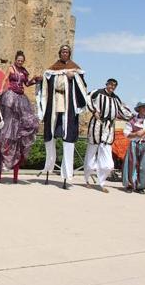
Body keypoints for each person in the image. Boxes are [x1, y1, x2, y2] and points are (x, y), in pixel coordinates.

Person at [37, 44, 88, 189]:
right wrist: (42, 80)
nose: (65, 53)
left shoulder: (75, 68)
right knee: (50, 136)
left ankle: (66, 175)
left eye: (67, 51)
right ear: (60, 53)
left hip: (68, 107)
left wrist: (74, 77)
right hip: (55, 105)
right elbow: (47, 82)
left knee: (68, 141)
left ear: (69, 53)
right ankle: (48, 167)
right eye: (62, 51)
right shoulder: (53, 68)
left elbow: (82, 86)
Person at [83, 79, 134, 193]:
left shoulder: (116, 98)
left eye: (114, 85)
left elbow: (122, 110)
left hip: (109, 127)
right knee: (91, 152)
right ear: (106, 84)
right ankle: (87, 179)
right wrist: (93, 110)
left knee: (108, 161)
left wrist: (133, 117)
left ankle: (101, 182)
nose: (112, 87)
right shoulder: (97, 92)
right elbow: (87, 98)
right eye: (110, 84)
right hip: (96, 125)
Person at [0, 50, 41, 183]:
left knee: (30, 122)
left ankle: (20, 136)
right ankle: (7, 140)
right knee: (8, 124)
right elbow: (5, 79)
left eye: (22, 60)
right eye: (19, 60)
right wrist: (0, 90)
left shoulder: (24, 71)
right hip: (11, 96)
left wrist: (34, 79)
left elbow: (26, 84)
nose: (20, 62)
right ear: (16, 60)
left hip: (21, 98)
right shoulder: (11, 68)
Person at [122, 102, 145, 193]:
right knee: (131, 164)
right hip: (134, 143)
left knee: (144, 165)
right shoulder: (132, 121)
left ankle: (140, 186)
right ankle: (130, 185)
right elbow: (126, 134)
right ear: (139, 109)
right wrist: (136, 134)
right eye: (143, 107)